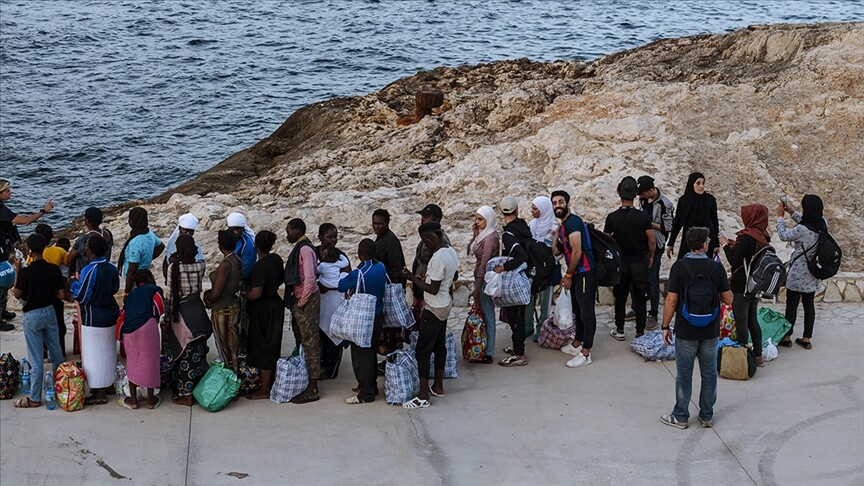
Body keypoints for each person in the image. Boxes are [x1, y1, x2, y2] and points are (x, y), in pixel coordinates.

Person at [660, 227, 732, 429]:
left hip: (686, 329)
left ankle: (681, 416)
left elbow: (672, 300)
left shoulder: (679, 267)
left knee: (684, 374)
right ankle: (706, 415)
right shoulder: (716, 268)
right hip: (709, 330)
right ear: (705, 244)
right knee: (709, 373)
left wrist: (665, 326)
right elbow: (728, 299)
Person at [401, 222, 458, 407]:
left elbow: (433, 289)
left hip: (434, 307)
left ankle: (423, 396)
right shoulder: (450, 252)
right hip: (446, 304)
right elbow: (448, 279)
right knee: (439, 345)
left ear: (431, 238)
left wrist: (411, 278)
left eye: (425, 241)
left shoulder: (437, 258)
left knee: (423, 351)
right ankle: (438, 386)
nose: (425, 245)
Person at [11, 234, 65, 408]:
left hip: (32, 315)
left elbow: (17, 293)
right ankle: (61, 389)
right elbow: (61, 295)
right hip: (50, 311)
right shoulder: (53, 270)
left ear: (30, 251)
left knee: (36, 359)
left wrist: (18, 268)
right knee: (56, 354)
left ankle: (35, 397)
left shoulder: (26, 272)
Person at [71, 234, 121, 406]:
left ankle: (99, 392)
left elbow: (82, 296)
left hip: (94, 316)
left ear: (90, 251)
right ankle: (108, 385)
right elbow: (115, 288)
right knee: (108, 350)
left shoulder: (89, 270)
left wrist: (73, 284)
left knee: (94, 354)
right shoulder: (112, 267)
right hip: (110, 313)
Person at [0, 178, 55, 331]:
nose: (10, 193)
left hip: (3, 248)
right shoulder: (1, 210)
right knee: (1, 281)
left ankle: (2, 310)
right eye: (7, 191)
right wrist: (44, 210)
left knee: (2, 281)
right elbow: (25, 221)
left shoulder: (2, 207)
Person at [163, 233, 210, 406]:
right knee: (198, 349)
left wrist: (167, 318)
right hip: (197, 309)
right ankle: (198, 386)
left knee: (183, 352)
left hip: (181, 312)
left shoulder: (173, 267)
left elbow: (169, 296)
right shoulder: (200, 265)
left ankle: (185, 393)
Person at [605, 177, 655, 341]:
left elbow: (606, 241)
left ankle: (620, 329)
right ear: (635, 195)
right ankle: (640, 332)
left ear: (619, 193)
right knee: (640, 298)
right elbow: (652, 240)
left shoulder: (612, 218)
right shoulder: (643, 217)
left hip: (621, 263)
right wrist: (650, 256)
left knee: (620, 298)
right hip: (639, 262)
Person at [720, 204, 770, 366]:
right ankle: (758, 356)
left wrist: (725, 245)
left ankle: (742, 359)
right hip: (755, 284)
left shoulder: (747, 237)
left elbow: (734, 262)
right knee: (752, 319)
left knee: (741, 321)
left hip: (741, 285)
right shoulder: (763, 236)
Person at [552, 190, 597, 368]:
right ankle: (577, 342)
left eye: (560, 201)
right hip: (578, 273)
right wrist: (556, 236)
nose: (557, 205)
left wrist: (568, 275)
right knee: (578, 311)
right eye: (554, 203)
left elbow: (577, 252)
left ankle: (586, 353)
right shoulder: (563, 226)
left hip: (585, 272)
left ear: (567, 203)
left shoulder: (573, 223)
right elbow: (557, 251)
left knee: (586, 313)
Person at [339, 238, 387, 404]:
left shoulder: (359, 273)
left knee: (361, 355)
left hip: (363, 317)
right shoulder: (381, 267)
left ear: (360, 254)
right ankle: (370, 385)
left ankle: (366, 392)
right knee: (370, 351)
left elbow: (341, 285)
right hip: (378, 313)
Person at [776, 195, 826, 350]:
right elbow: (807, 221)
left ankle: (787, 337)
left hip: (798, 273)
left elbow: (783, 236)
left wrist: (780, 218)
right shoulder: (822, 223)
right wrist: (792, 212)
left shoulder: (802, 230)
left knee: (791, 306)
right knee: (808, 305)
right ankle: (806, 338)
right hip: (812, 272)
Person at [284, 218, 322, 404]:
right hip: (300, 298)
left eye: (289, 231)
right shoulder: (302, 247)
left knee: (310, 340)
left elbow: (309, 278)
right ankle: (306, 376)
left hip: (305, 300)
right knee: (303, 339)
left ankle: (313, 387)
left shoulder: (305, 250)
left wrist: (302, 302)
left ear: (297, 230)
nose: (287, 234)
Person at [244, 231, 285, 399]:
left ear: (256, 246)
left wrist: (242, 295)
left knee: (263, 347)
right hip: (276, 304)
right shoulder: (276, 259)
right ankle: (270, 381)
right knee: (273, 344)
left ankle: (264, 389)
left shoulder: (259, 267)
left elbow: (256, 293)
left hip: (263, 309)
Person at [118, 270, 164, 410]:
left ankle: (133, 400)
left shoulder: (131, 295)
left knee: (132, 362)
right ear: (150, 278)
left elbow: (124, 313)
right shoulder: (154, 290)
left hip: (129, 330)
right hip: (147, 327)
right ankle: (150, 401)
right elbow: (159, 308)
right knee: (150, 361)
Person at [495, 197, 532, 367]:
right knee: (517, 316)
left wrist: (504, 267)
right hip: (525, 278)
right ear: (516, 210)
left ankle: (519, 355)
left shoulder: (509, 234)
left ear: (502, 212)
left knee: (515, 318)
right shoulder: (523, 226)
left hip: (515, 279)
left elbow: (521, 256)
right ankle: (517, 347)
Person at [635, 175, 675, 327]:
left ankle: (653, 314)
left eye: (643, 193)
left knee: (652, 279)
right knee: (638, 278)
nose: (640, 196)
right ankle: (637, 309)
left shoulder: (665, 204)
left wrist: (648, 224)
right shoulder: (643, 200)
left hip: (656, 244)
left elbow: (668, 227)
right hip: (642, 243)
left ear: (651, 190)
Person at [316, 223, 351, 380]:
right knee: (319, 332)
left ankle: (332, 369)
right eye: (329, 236)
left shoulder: (339, 255)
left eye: (335, 236)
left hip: (334, 299)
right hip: (318, 300)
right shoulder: (314, 253)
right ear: (321, 237)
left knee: (333, 332)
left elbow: (347, 275)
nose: (333, 240)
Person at [203, 230, 242, 370]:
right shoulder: (237, 260)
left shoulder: (226, 264)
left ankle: (231, 375)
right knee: (232, 342)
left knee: (226, 345)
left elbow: (216, 293)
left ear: (220, 246)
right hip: (232, 304)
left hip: (223, 309)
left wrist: (207, 298)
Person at [467, 205, 500, 364]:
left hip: (485, 282)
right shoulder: (483, 236)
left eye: (480, 219)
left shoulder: (490, 239)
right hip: (480, 280)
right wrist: (475, 235)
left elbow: (483, 265)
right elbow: (469, 250)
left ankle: (489, 352)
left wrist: (477, 288)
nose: (477, 222)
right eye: (476, 219)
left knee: (488, 315)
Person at [32, 224, 69, 357]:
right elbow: (66, 270)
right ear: (51, 237)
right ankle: (61, 351)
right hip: (55, 293)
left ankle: (44, 352)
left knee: (42, 327)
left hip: (39, 295)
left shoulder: (33, 256)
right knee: (59, 324)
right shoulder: (60, 251)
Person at [666, 172, 719, 260]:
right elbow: (677, 222)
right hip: (689, 240)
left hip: (706, 240)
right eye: (698, 183)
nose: (701, 186)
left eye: (703, 183)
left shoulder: (710, 199)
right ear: (691, 184)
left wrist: (716, 244)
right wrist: (671, 243)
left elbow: (715, 222)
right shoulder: (683, 201)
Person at [526, 196, 557, 341]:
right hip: (533, 269)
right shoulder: (532, 224)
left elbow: (554, 249)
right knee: (529, 301)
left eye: (535, 208)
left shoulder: (554, 227)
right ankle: (528, 327)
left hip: (547, 271)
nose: (532, 211)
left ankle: (541, 330)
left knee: (545, 303)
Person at [118, 207, 165, 295]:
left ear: (132, 221)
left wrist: (126, 292)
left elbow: (132, 270)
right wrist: (148, 257)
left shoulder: (135, 243)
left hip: (136, 282)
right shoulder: (150, 234)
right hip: (146, 275)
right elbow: (161, 247)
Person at [411, 204, 451, 302]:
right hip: (422, 290)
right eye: (422, 217)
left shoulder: (442, 242)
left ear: (436, 220)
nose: (422, 220)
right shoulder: (426, 240)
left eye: (426, 217)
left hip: (432, 296)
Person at [67, 207, 114, 277]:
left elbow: (69, 260)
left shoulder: (84, 239)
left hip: (87, 273)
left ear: (87, 221)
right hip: (104, 269)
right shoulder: (108, 234)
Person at [162, 213, 204, 281]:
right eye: (185, 230)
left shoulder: (196, 247)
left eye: (191, 232)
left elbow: (201, 267)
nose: (188, 234)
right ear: (179, 228)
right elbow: (166, 262)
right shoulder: (172, 243)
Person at [372, 209, 406, 285]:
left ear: (387, 223)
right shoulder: (381, 238)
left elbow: (397, 268)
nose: (376, 226)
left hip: (390, 285)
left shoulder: (391, 241)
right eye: (374, 223)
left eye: (380, 224)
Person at [227, 212, 256, 281]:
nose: (236, 232)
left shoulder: (246, 244)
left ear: (243, 228)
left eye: (238, 229)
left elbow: (246, 267)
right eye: (233, 229)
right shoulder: (232, 238)